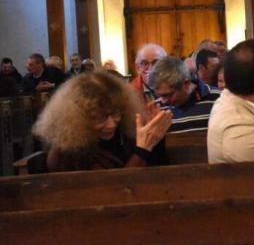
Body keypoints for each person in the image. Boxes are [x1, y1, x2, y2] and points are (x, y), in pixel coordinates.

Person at [33, 71, 172, 172]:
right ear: (77, 118)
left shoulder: (123, 133)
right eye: (100, 118)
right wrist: (142, 150)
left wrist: (155, 137)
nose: (111, 124)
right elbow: (112, 193)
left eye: (116, 113)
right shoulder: (65, 153)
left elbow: (157, 171)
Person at [150, 57, 219, 134]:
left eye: (168, 95)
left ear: (186, 84)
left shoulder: (217, 99)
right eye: (159, 95)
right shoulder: (156, 108)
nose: (163, 101)